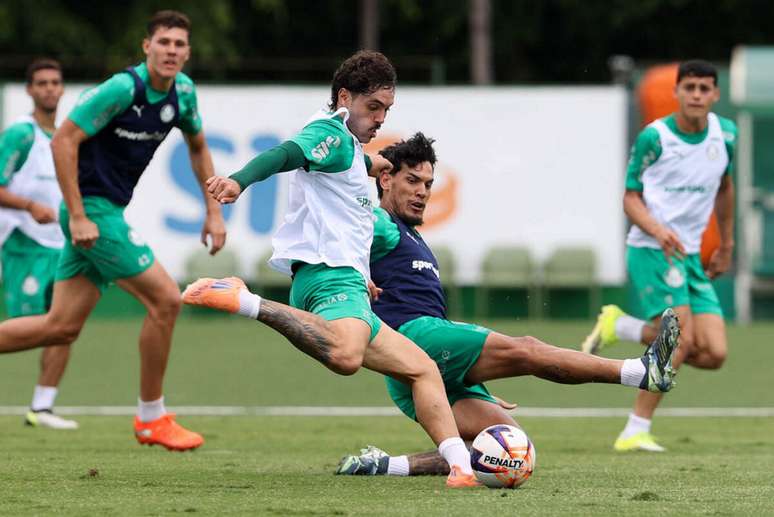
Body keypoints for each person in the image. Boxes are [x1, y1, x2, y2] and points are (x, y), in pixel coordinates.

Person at [182, 51, 479, 487]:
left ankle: (460, 467)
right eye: (373, 107)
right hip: (329, 275)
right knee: (345, 357)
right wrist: (238, 181)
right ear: (345, 97)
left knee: (422, 368)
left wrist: (370, 165)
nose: (380, 118)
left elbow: (341, 182)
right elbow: (286, 153)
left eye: (386, 110)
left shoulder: (347, 148)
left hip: (345, 279)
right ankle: (246, 301)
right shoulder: (329, 133)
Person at [323, 132, 679, 477]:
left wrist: (474, 373)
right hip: (412, 337)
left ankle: (386, 466)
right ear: (385, 179)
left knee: (511, 451)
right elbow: (346, 231)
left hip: (429, 367)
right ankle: (639, 371)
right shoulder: (383, 223)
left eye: (428, 184)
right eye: (412, 180)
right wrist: (355, 272)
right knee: (526, 349)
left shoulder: (411, 235)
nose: (422, 192)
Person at [0, 10, 227, 451]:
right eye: (164, 42)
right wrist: (80, 215)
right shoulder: (123, 88)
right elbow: (63, 139)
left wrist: (213, 211)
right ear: (147, 47)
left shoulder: (183, 93)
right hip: (94, 215)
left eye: (180, 44)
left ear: (188, 53)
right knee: (165, 300)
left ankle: (149, 417)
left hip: (107, 213)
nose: (172, 51)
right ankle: (151, 418)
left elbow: (197, 146)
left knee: (60, 327)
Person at [580, 60, 736, 452]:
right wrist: (658, 229)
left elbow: (724, 188)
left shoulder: (726, 135)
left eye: (705, 88)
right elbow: (630, 198)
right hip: (652, 249)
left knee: (715, 353)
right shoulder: (656, 137)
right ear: (677, 92)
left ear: (716, 95)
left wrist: (727, 244)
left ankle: (622, 326)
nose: (697, 95)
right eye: (690, 88)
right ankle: (634, 429)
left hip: (692, 257)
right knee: (680, 340)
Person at [0, 59, 79, 429]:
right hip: (23, 244)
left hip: (62, 246)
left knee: (66, 324)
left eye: (55, 82)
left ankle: (42, 407)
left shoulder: (68, 136)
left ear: (62, 89)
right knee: (25, 326)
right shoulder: (21, 135)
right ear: (30, 90)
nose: (49, 88)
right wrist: (29, 205)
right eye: (41, 83)